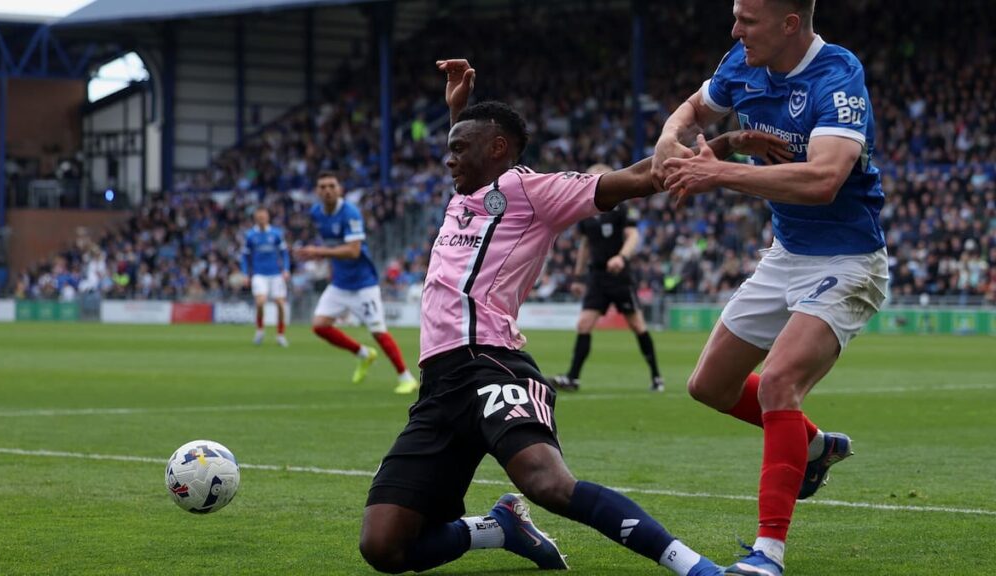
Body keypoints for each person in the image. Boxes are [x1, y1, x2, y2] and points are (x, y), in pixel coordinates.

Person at [358, 58, 789, 576]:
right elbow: (477, 136)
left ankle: (696, 568)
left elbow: (641, 177)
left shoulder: (532, 192)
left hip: (491, 365)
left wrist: (725, 145)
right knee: (383, 548)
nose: (448, 160)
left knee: (548, 484)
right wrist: (458, 107)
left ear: (497, 150)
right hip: (439, 385)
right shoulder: (465, 195)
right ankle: (498, 529)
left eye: (457, 149)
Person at [652, 1, 888, 574]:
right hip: (785, 256)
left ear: (789, 24)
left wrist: (719, 170)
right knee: (708, 385)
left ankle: (767, 555)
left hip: (848, 260)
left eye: (746, 20)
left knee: (778, 383)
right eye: (734, 16)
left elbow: (825, 179)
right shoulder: (742, 62)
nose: (734, 30)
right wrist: (669, 137)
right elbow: (694, 108)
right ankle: (814, 446)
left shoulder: (837, 75)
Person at [297, 172, 419, 394]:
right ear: (317, 191)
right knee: (319, 325)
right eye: (322, 186)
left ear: (339, 189)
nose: (327, 190)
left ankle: (406, 377)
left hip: (364, 284)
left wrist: (319, 252)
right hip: (340, 283)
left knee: (378, 331)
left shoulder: (350, 212)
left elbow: (353, 251)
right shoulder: (316, 212)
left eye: (331, 186)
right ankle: (363, 354)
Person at [550, 163, 665, 393]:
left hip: (619, 275)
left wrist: (621, 257)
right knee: (584, 324)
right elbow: (584, 245)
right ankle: (573, 378)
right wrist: (578, 276)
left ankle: (656, 377)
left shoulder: (622, 207)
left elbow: (633, 236)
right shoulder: (586, 212)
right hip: (597, 276)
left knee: (637, 325)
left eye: (596, 178)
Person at [241, 207, 290, 347]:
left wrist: (286, 269)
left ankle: (280, 334)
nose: (261, 219)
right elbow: (245, 256)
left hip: (276, 274)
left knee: (280, 303)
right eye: (259, 217)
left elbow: (284, 253)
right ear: (256, 218)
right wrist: (245, 273)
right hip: (259, 274)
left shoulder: (276, 234)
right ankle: (260, 330)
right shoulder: (250, 235)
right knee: (260, 302)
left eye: (264, 217)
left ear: (268, 217)